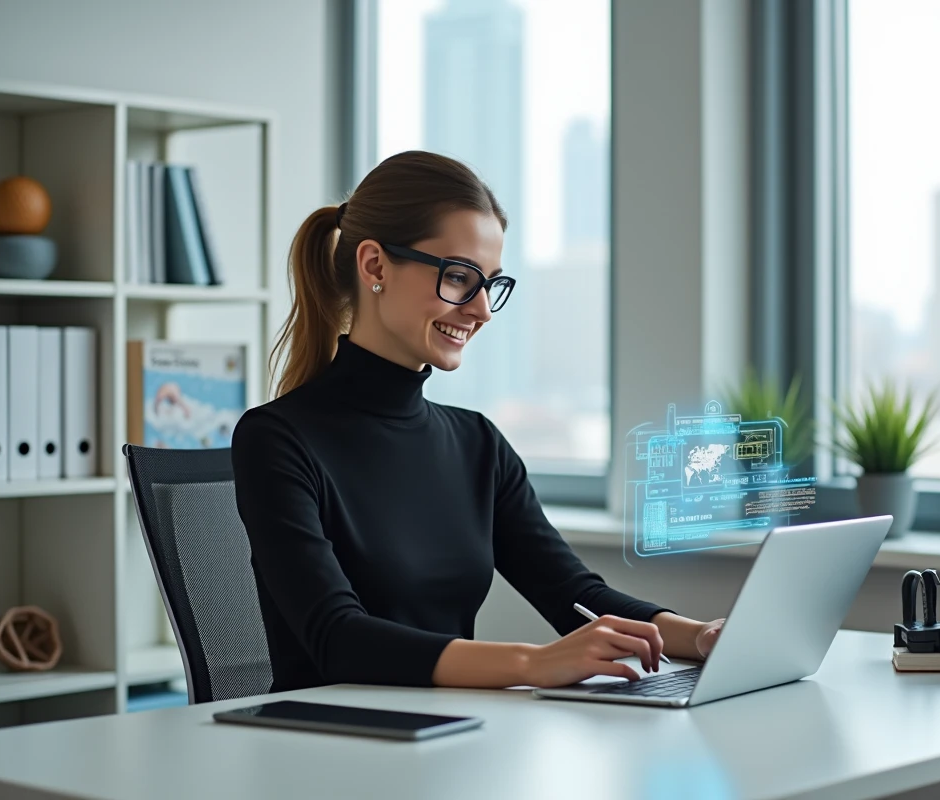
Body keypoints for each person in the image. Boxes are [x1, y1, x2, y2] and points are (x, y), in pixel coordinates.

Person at [230, 150, 725, 693]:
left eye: (491, 283)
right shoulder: (277, 439)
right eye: (460, 277)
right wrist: (533, 665)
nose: (482, 309)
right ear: (374, 266)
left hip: (452, 737)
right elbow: (338, 640)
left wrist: (700, 636)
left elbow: (573, 594)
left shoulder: (476, 443)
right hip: (327, 746)